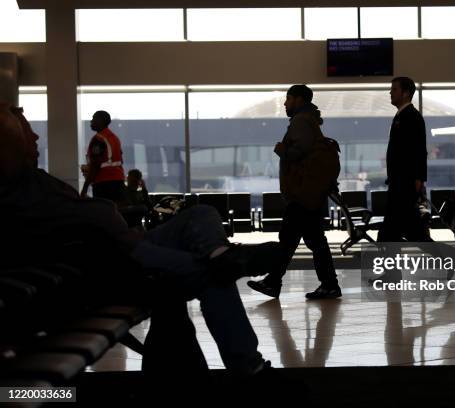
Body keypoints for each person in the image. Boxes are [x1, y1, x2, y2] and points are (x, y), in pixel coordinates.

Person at [0, 104, 285, 385]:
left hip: (121, 245)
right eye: (27, 131)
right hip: (113, 261)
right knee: (209, 273)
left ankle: (222, 255)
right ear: (8, 141)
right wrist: (104, 212)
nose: (36, 138)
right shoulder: (17, 191)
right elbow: (85, 218)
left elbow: (87, 213)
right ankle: (248, 366)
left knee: (201, 214)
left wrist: (104, 212)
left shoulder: (36, 181)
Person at [247, 85, 341, 300]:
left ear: (299, 100)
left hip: (303, 193)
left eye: (288, 99)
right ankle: (326, 284)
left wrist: (282, 150)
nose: (285, 103)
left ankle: (275, 282)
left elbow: (299, 152)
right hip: (310, 193)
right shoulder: (310, 120)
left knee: (291, 238)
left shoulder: (301, 121)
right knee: (310, 240)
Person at [378, 77, 429, 242]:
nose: (390, 93)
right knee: (407, 232)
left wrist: (419, 178)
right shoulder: (401, 116)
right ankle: (446, 255)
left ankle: (446, 256)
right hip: (398, 183)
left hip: (404, 184)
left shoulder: (412, 117)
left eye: (394, 89)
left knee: (394, 233)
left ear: (406, 93)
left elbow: (419, 151)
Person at [80, 110, 127, 204]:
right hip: (119, 182)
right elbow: (120, 160)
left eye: (94, 118)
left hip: (104, 183)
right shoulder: (114, 138)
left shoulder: (98, 139)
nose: (91, 121)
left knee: (103, 213)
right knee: (115, 212)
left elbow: (95, 165)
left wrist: (85, 188)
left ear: (101, 121)